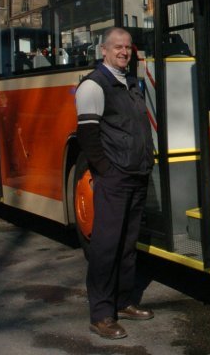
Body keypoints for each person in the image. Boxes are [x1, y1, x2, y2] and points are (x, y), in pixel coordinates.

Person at [74, 27, 155, 340]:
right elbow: (87, 137)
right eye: (117, 47)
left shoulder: (129, 82)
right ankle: (101, 314)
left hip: (136, 174)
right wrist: (106, 170)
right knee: (106, 247)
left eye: (127, 47)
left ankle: (123, 302)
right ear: (103, 51)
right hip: (115, 178)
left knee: (127, 244)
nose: (123, 52)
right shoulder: (94, 86)